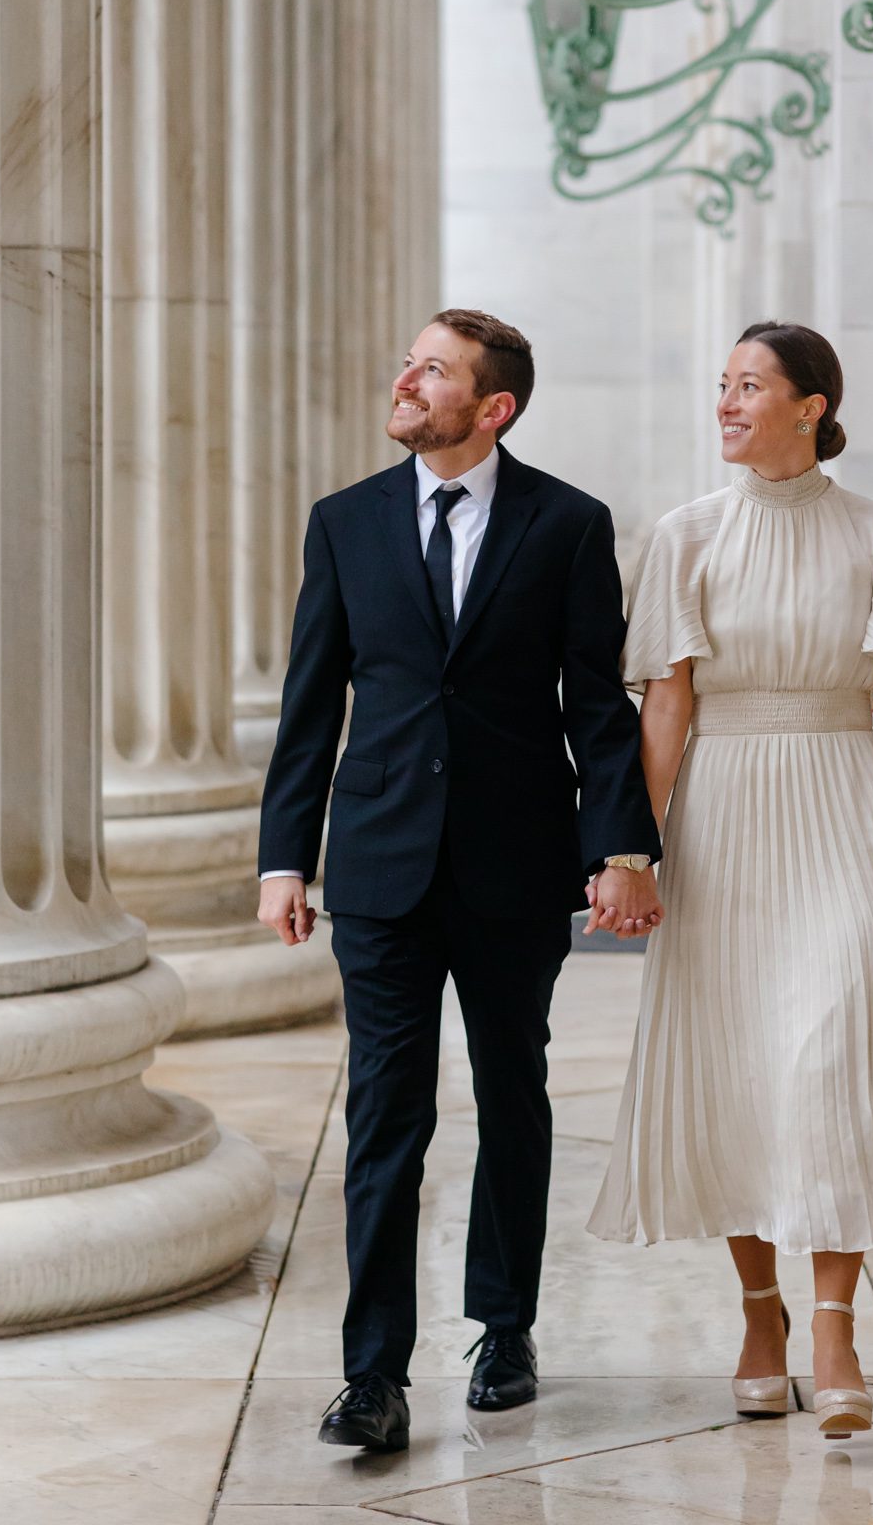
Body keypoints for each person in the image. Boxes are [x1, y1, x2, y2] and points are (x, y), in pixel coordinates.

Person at [258, 308, 660, 1453]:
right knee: (385, 1113)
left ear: (493, 407)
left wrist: (615, 847)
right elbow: (309, 702)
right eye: (409, 361)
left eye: (430, 369)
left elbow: (595, 701)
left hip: (513, 865)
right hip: (379, 865)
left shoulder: (568, 523)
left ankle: (506, 1324)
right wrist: (285, 855)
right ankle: (373, 1370)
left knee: (511, 1096)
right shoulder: (345, 522)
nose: (404, 379)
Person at [586, 320, 873, 1441]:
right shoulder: (687, 535)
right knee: (737, 1063)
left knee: (834, 1052)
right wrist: (632, 850)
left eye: (751, 386)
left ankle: (835, 1323)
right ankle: (761, 1316)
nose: (727, 403)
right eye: (721, 385)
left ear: (811, 403)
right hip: (726, 809)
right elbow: (665, 706)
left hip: (838, 798)